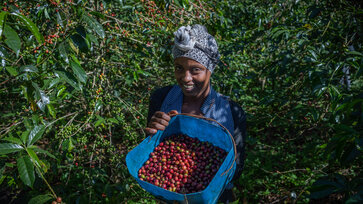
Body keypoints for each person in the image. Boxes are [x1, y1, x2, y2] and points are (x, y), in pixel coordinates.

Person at [145, 24, 247, 203]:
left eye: (195, 70)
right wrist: (152, 133)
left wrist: (208, 172)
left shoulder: (231, 112)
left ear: (210, 70)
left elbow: (237, 168)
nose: (186, 78)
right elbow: (150, 153)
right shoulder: (161, 99)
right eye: (179, 68)